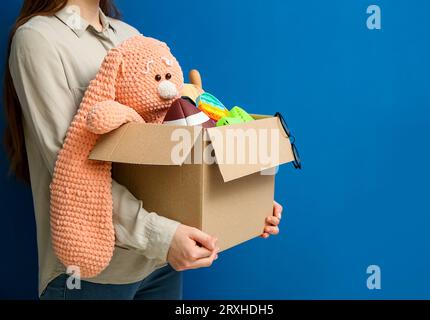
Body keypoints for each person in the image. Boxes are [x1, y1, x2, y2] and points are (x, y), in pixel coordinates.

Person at [3, 0, 283, 300]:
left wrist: (244, 199)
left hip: (160, 266)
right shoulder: (38, 39)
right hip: (90, 276)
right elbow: (72, 168)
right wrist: (162, 236)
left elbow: (167, 149)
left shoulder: (129, 36)